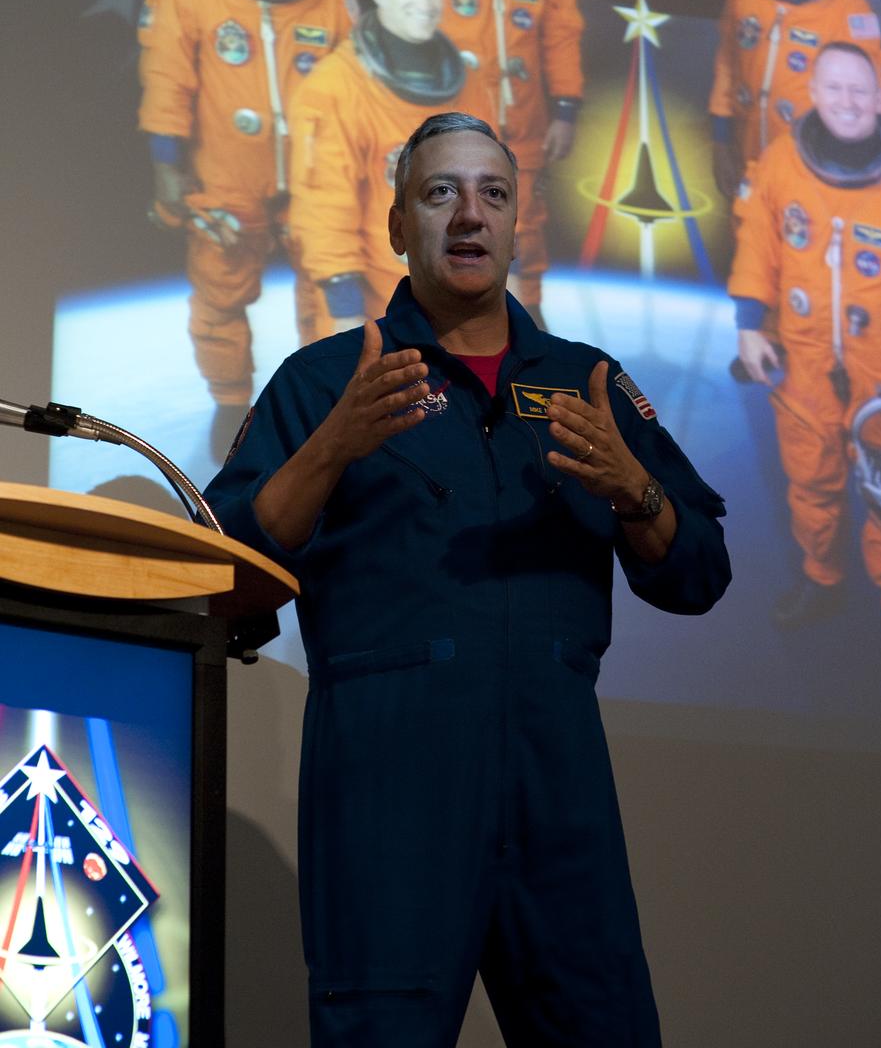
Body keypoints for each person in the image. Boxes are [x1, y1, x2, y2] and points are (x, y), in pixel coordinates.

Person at [205, 112, 730, 1045]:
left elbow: (697, 574)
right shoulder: (330, 381)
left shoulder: (587, 386)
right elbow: (227, 582)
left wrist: (634, 488)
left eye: (492, 193)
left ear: (517, 219)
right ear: (398, 224)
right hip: (388, 793)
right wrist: (331, 450)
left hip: (557, 788)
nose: (468, 217)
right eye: (440, 193)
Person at [138, 0, 357, 458]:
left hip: (312, 178)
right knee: (220, 291)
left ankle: (323, 404)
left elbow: (359, 86)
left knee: (326, 289)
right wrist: (166, 163)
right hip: (227, 174)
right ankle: (232, 401)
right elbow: (166, 78)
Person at [729, 42, 881, 630]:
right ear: (811, 93)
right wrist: (749, 326)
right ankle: (822, 577)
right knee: (811, 480)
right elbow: (759, 242)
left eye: (860, 89)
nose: (847, 101)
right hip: (804, 362)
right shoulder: (783, 162)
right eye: (833, 87)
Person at [401, 0, 584, 326]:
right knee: (445, 220)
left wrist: (566, 107)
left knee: (526, 223)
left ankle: (527, 318)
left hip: (522, 120)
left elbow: (561, 34)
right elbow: (401, 19)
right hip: (450, 125)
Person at [287, 0, 493, 334]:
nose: (425, 1)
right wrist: (344, 318)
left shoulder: (468, 83)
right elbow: (325, 208)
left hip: (452, 296)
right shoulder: (334, 87)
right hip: (371, 305)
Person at [709, 0, 881, 201]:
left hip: (810, 164)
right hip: (747, 155)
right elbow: (728, 62)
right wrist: (721, 139)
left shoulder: (848, 9)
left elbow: (874, 95)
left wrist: (849, 172)